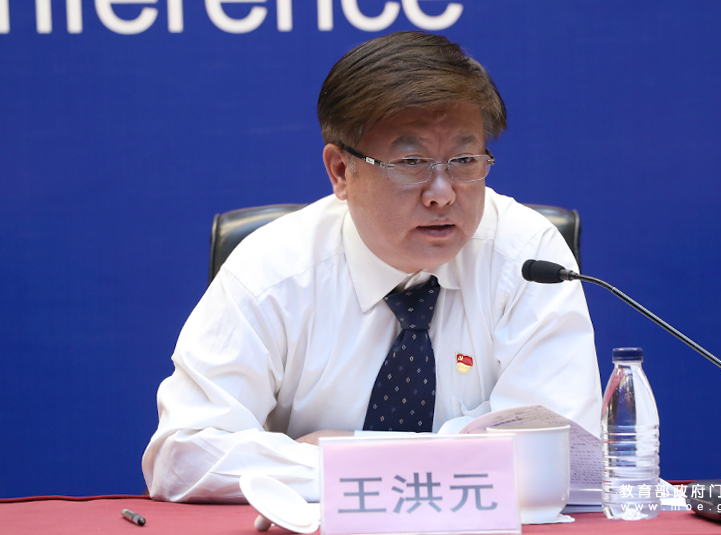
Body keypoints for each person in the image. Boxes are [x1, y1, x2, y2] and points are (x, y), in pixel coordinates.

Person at [142, 31, 601, 503]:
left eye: (464, 160)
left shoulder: (527, 258)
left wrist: (349, 458)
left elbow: (557, 454)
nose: (442, 193)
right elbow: (183, 455)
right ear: (341, 171)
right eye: (412, 162)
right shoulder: (273, 271)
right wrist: (436, 462)